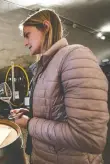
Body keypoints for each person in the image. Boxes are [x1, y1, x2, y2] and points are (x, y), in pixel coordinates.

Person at [11, 9, 109, 164]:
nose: (25, 43)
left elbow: (88, 138)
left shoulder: (75, 57)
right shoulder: (45, 66)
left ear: (46, 27)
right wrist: (32, 114)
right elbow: (56, 110)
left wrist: (29, 124)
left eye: (27, 34)